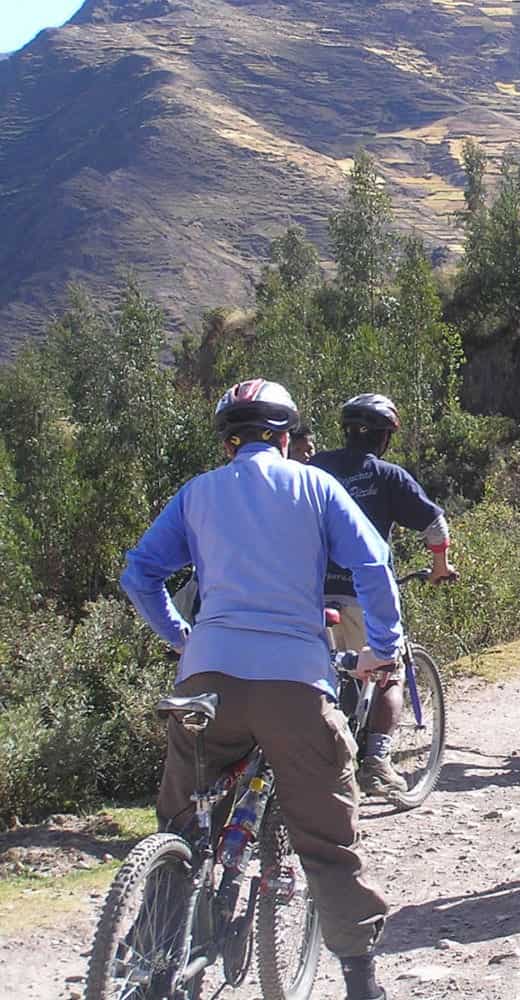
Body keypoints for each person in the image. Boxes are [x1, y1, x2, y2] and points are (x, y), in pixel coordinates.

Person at [120, 378, 398, 1000]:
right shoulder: (316, 485)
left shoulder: (196, 494)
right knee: (327, 839)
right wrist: (384, 646)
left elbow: (140, 574)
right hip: (293, 681)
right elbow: (373, 565)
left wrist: (185, 637)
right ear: (287, 437)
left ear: (227, 444)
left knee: (183, 819)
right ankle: (361, 982)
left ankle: (150, 962)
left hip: (206, 679)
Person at [311, 392, 456, 799]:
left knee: (314, 675)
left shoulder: (314, 469)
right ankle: (376, 763)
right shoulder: (389, 475)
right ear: (385, 437)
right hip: (363, 594)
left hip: (310, 595)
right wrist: (440, 568)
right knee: (387, 670)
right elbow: (435, 528)